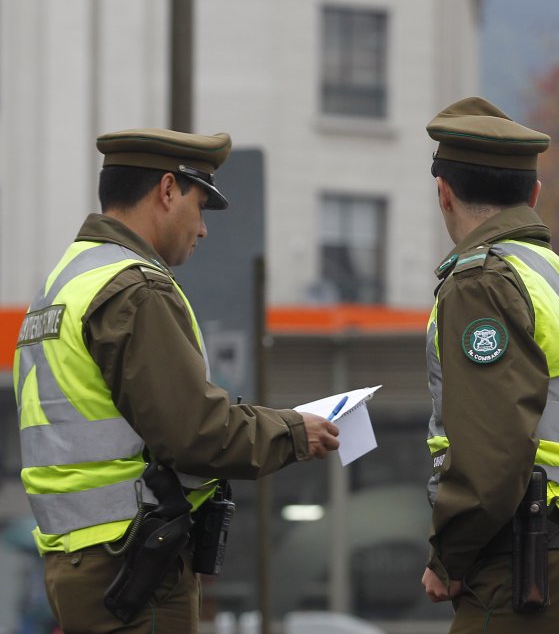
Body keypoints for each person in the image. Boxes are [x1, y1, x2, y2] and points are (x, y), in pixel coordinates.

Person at [12, 128, 341, 633]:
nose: (203, 229)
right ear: (167, 190)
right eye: (201, 205)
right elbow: (194, 434)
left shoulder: (61, 286)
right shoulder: (134, 289)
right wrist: (295, 430)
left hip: (79, 562)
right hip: (133, 568)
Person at [418, 97, 559, 634]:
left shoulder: (481, 283)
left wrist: (448, 557)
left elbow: (495, 451)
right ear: (533, 195)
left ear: (443, 192)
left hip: (520, 565)